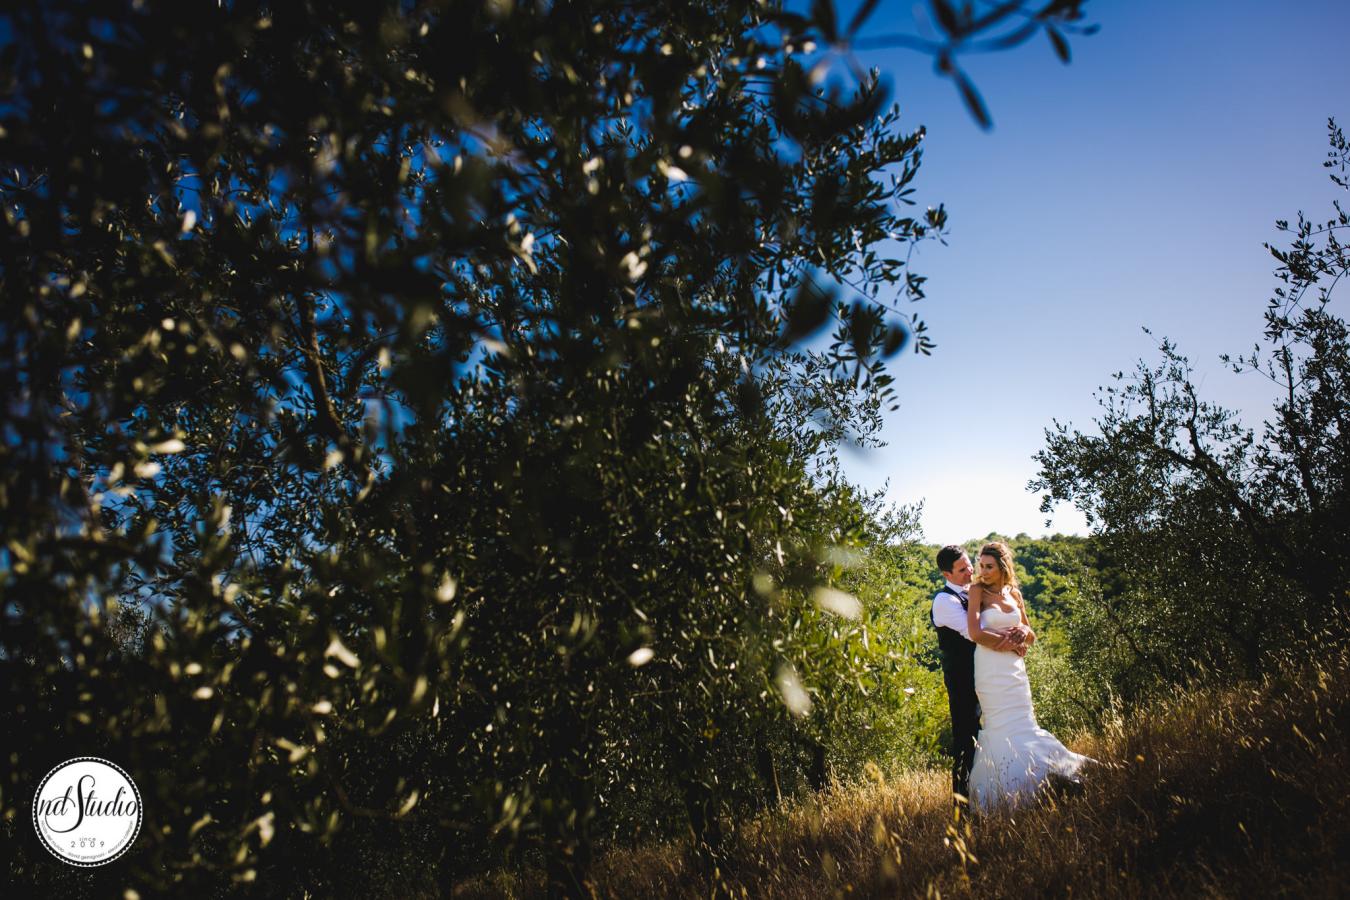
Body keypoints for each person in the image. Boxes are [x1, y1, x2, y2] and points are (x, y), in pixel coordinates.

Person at [965, 540, 1093, 813]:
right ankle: (1005, 791)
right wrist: (1011, 642)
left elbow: (1031, 634)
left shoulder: (1015, 595)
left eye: (989, 566)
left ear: (1002, 567)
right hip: (990, 669)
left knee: (1024, 721)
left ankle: (1044, 777)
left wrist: (1023, 633)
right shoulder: (977, 591)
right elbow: (975, 633)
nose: (983, 571)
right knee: (1001, 724)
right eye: (981, 565)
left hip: (1015, 671)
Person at [931, 545, 1030, 808]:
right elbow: (973, 631)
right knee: (967, 738)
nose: (970, 571)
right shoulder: (944, 601)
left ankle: (1005, 784)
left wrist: (1020, 628)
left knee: (1002, 727)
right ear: (946, 574)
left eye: (969, 565)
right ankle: (962, 804)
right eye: (962, 569)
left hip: (990, 672)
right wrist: (1014, 639)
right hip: (963, 679)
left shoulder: (977, 591)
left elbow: (996, 622)